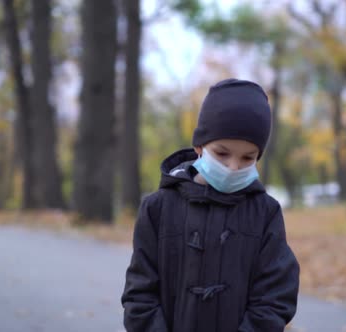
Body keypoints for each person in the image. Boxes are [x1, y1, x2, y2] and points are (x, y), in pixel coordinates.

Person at [121, 78, 299, 332]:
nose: (233, 167)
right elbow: (140, 293)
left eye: (247, 157)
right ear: (199, 147)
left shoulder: (265, 213)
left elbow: (275, 294)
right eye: (222, 153)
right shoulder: (157, 209)